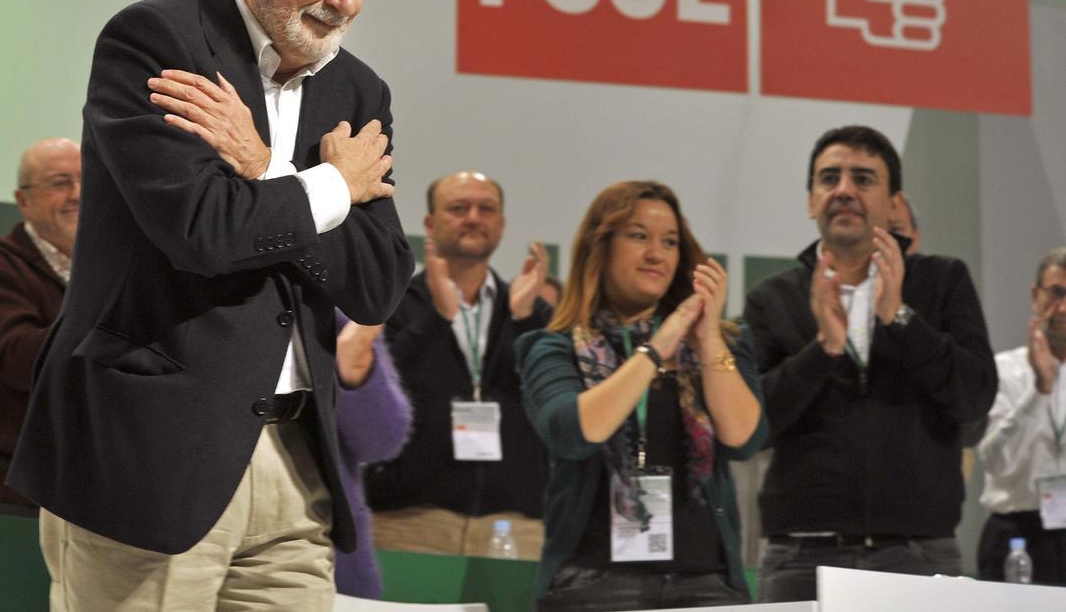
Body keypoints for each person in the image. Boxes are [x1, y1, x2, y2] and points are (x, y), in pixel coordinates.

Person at [7, 0, 413, 611]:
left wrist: (266, 169)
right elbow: (202, 230)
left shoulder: (359, 91)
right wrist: (331, 185)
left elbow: (379, 280)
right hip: (150, 462)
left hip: (296, 475)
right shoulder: (157, 42)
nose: (347, 0)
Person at [745, 125, 996, 602]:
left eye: (863, 178)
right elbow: (754, 426)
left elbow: (974, 397)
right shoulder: (772, 297)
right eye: (829, 178)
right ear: (810, 200)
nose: (843, 190)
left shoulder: (944, 281)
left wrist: (900, 318)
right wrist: (823, 350)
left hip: (918, 555)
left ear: (893, 202)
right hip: (802, 556)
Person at [517, 180, 766, 610]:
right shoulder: (554, 347)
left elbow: (744, 438)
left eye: (669, 242)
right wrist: (656, 349)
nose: (656, 254)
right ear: (602, 245)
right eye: (638, 236)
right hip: (595, 584)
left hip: (707, 584)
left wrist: (706, 337)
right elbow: (574, 432)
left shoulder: (719, 343)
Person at [366, 171, 553, 558]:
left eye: (486, 209)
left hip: (515, 522)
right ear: (431, 224)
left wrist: (525, 323)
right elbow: (372, 390)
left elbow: (553, 402)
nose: (473, 218)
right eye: (458, 208)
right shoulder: (391, 302)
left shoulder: (529, 310)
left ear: (501, 224)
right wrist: (437, 319)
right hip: (408, 519)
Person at [0, 138, 80, 516]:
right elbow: (22, 361)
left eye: (86, 179)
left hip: (102, 486)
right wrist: (107, 321)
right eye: (60, 182)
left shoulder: (110, 267)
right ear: (23, 200)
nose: (77, 194)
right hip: (26, 492)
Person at [977, 246, 1066, 584]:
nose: (1064, 307)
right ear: (1035, 295)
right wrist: (1039, 391)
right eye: (1056, 293)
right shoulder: (1003, 370)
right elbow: (996, 462)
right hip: (1017, 536)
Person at [332, 313, 412, 598]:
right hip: (203, 534)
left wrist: (355, 374)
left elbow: (383, 442)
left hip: (327, 550)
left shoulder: (330, 309)